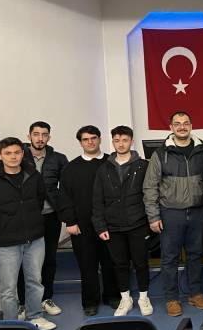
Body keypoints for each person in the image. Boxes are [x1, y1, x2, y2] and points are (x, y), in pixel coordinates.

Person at [143, 111, 203, 317]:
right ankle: (172, 298)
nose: (182, 127)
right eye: (177, 123)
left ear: (191, 125)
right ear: (171, 127)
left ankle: (195, 293)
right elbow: (150, 187)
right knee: (170, 257)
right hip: (170, 213)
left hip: (198, 212)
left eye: (185, 123)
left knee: (196, 254)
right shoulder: (160, 154)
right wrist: (154, 216)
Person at [0, 137, 55, 330]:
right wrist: (0, 226)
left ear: (23, 154)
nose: (13, 157)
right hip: (6, 243)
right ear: (0, 156)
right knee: (8, 289)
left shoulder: (34, 176)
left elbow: (39, 201)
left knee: (35, 281)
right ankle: (12, 325)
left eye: (17, 152)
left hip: (35, 239)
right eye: (8, 153)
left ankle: (35, 316)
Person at [58, 125, 120, 315]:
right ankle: (90, 302)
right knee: (87, 264)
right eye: (85, 139)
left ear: (100, 139)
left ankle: (113, 296)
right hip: (82, 225)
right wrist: (70, 221)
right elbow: (64, 197)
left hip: (110, 223)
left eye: (93, 138)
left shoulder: (112, 162)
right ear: (80, 143)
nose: (90, 142)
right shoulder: (71, 168)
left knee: (111, 262)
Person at [92, 126, 152, 316]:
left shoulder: (144, 166)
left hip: (138, 223)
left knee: (141, 263)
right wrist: (100, 226)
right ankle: (125, 299)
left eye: (124, 140)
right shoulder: (104, 169)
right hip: (113, 226)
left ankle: (143, 298)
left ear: (131, 141)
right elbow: (97, 200)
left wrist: (151, 220)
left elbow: (150, 194)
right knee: (119, 265)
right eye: (117, 140)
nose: (121, 144)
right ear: (112, 142)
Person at [17, 121, 68, 319]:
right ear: (29, 136)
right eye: (36, 134)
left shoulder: (58, 158)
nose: (40, 138)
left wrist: (64, 210)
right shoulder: (18, 156)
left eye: (44, 134)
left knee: (49, 259)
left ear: (49, 137)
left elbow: (67, 186)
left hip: (51, 216)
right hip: (26, 217)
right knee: (24, 260)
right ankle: (23, 303)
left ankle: (46, 298)